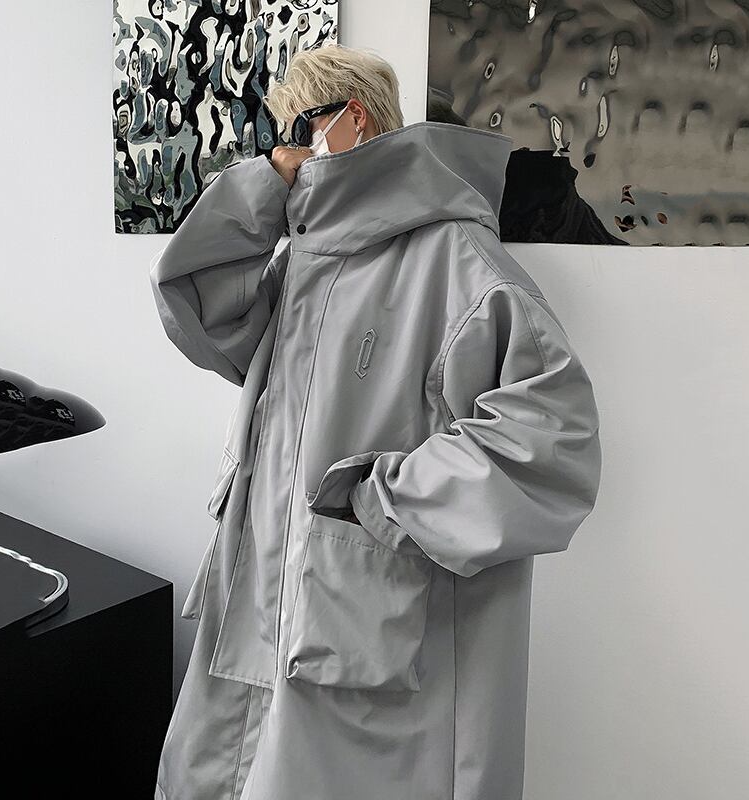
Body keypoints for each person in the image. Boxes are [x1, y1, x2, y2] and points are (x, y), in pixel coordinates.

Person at [149, 44, 602, 800]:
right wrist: (265, 186)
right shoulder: (306, 258)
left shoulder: (453, 259)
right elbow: (197, 306)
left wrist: (380, 498)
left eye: (295, 128)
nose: (284, 152)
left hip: (369, 627)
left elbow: (552, 445)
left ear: (350, 119)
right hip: (270, 604)